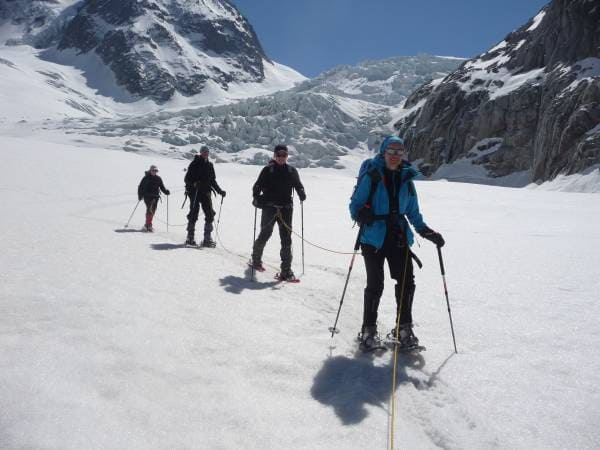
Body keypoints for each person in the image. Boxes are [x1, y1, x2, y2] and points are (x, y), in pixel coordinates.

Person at [349, 136, 445, 351]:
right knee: (375, 284)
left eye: (399, 152)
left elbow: (412, 211)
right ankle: (368, 331)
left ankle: (404, 329)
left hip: (398, 236)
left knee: (406, 283)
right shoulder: (372, 175)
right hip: (372, 237)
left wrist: (426, 232)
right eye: (391, 151)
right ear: (383, 152)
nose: (395, 156)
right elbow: (355, 205)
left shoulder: (406, 178)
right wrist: (361, 214)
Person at [250, 144, 306, 281]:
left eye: (284, 155)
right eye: (279, 155)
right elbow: (257, 185)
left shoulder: (292, 171)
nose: (281, 157)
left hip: (286, 209)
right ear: (275, 155)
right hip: (270, 208)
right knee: (265, 233)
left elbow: (298, 185)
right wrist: (256, 195)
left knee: (286, 239)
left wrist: (301, 193)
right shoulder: (267, 170)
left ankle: (286, 271)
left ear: (287, 156)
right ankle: (256, 259)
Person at [184, 145, 226, 247]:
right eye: (204, 152)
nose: (206, 153)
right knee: (194, 213)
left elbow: (212, 181)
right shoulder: (194, 163)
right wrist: (194, 183)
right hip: (195, 192)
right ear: (200, 153)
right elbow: (187, 179)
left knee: (210, 214)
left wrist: (220, 191)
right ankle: (190, 237)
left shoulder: (210, 165)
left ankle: (207, 239)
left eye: (207, 152)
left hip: (206, 192)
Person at [137, 165, 170, 232]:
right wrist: (140, 195)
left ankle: (148, 224)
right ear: (150, 170)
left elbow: (162, 187)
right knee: (150, 209)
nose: (154, 172)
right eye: (153, 170)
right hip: (147, 196)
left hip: (155, 196)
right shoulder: (146, 178)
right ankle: (148, 225)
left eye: (156, 171)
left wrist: (166, 191)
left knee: (153, 210)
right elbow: (140, 187)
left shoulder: (158, 178)